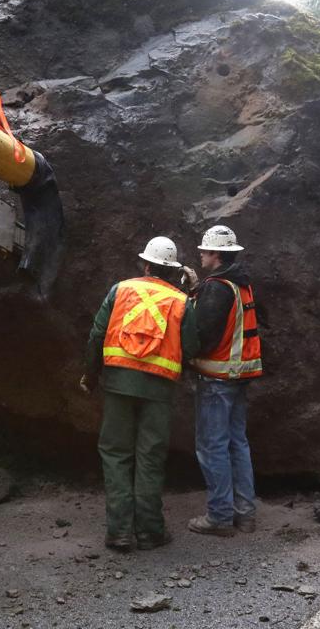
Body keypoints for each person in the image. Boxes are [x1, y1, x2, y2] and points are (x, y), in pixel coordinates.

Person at [80, 236, 192, 552]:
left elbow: (97, 335)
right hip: (159, 388)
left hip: (118, 383)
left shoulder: (120, 290)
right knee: (150, 456)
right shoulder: (181, 301)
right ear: (172, 270)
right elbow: (192, 346)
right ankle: (150, 531)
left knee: (116, 453)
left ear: (145, 265)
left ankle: (119, 532)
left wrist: (91, 374)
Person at [186, 224, 263, 537]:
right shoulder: (240, 283)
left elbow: (203, 335)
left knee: (212, 446)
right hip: (238, 376)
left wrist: (185, 352)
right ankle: (245, 514)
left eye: (204, 251)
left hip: (217, 379)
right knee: (237, 444)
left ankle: (219, 516)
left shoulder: (217, 287)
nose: (201, 255)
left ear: (215, 254)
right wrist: (197, 291)